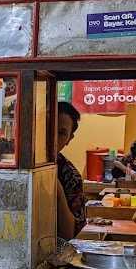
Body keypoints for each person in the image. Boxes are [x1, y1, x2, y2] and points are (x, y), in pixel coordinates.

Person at [57, 102, 85, 240]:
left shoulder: (70, 176)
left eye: (61, 133)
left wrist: (58, 191)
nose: (52, 137)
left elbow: (69, 235)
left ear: (69, 139)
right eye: (47, 128)